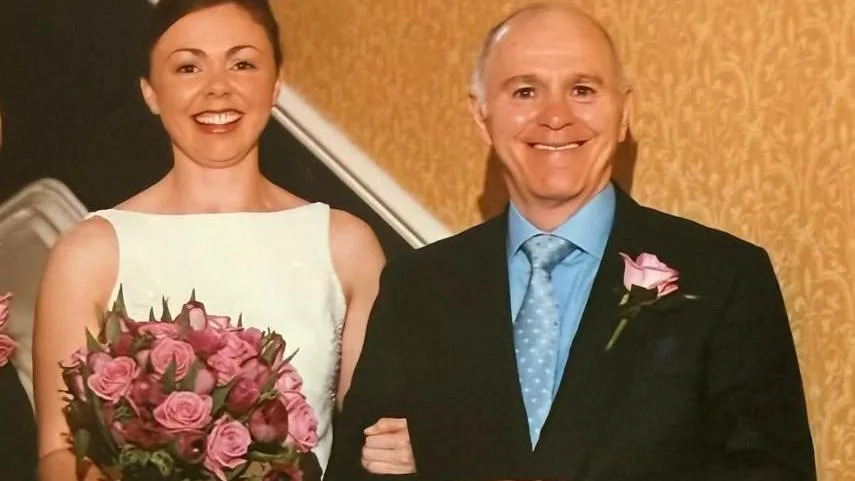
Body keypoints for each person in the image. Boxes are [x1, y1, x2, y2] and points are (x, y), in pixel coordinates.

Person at [327, 3, 816, 480]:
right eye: (524, 92)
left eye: (582, 90)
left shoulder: (725, 277)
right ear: (481, 117)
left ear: (624, 112)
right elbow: (359, 466)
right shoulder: (418, 286)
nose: (556, 116)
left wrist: (449, 456)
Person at [32, 1, 409, 479]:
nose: (217, 88)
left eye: (242, 64)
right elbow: (60, 452)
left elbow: (377, 439)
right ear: (150, 91)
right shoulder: (90, 251)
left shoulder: (344, 244)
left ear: (275, 85)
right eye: (188, 66)